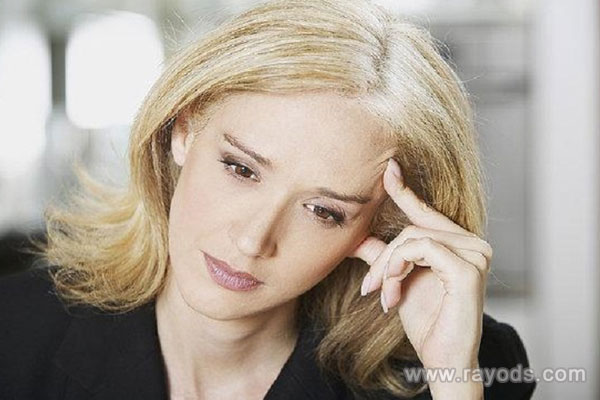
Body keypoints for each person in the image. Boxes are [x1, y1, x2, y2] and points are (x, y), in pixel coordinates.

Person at [0, 0, 537, 399]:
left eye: (323, 211)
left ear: (385, 227)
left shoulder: (466, 370)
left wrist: (453, 380)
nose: (253, 240)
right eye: (241, 169)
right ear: (184, 130)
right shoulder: (14, 333)